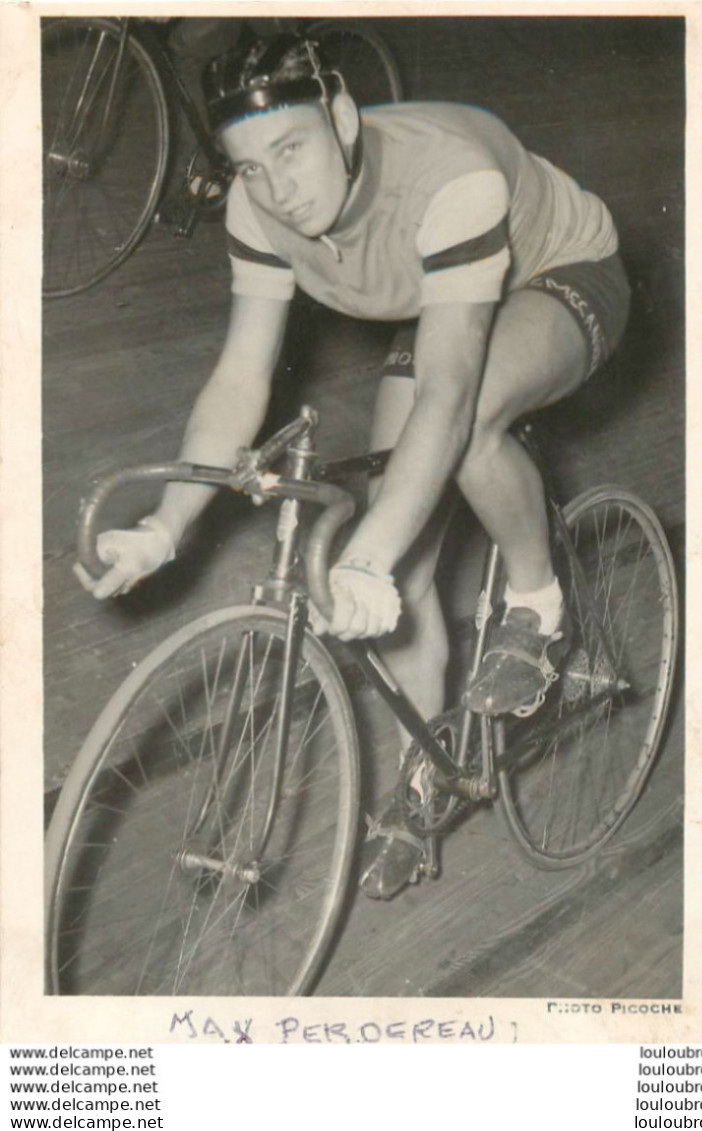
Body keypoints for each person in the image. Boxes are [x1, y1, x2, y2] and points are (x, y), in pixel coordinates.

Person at [75, 34, 630, 899]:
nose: (277, 187)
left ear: (339, 116)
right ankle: (427, 777)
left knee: (469, 422)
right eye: (249, 166)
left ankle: (536, 602)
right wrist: (165, 524)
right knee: (399, 570)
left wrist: (360, 552)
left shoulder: (448, 177)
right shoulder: (256, 208)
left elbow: (447, 394)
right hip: (448, 294)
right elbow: (239, 376)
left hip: (560, 274)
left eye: (290, 149)